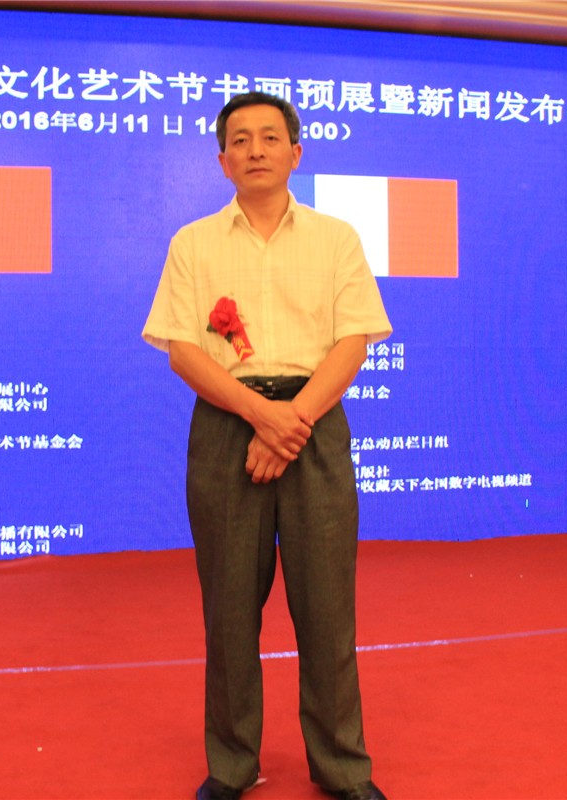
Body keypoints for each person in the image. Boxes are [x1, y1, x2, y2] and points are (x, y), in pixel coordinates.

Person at [142, 91, 391, 800]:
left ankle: (343, 769)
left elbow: (353, 341)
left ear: (296, 153)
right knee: (228, 612)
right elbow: (183, 351)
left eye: (270, 137)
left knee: (327, 612)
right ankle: (231, 766)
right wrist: (260, 417)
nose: (256, 150)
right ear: (222, 161)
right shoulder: (193, 243)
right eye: (241, 140)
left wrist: (292, 423)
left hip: (314, 425)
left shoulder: (335, 238)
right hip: (229, 425)